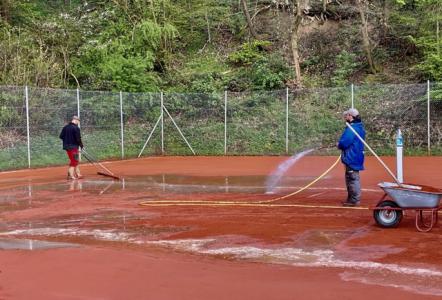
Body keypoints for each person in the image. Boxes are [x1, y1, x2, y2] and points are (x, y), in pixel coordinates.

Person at [337, 108, 365, 207]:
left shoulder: (352, 129)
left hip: (351, 156)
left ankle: (354, 200)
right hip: (355, 155)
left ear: (351, 116)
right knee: (351, 177)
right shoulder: (359, 127)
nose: (345, 117)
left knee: (352, 178)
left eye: (347, 115)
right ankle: (351, 199)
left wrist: (339, 144)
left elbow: (345, 142)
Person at [59, 115, 84, 180]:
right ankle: (70, 175)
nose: (78, 123)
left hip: (67, 147)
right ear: (75, 120)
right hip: (73, 147)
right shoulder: (76, 128)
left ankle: (78, 174)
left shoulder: (65, 127)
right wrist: (81, 145)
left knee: (76, 160)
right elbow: (78, 139)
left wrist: (67, 140)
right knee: (74, 161)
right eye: (78, 121)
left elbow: (61, 136)